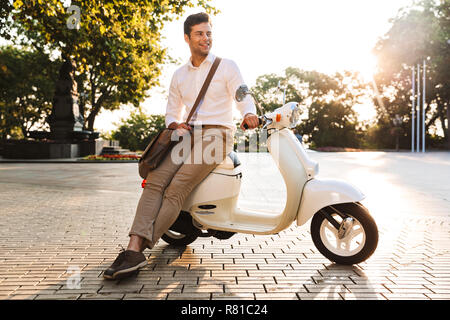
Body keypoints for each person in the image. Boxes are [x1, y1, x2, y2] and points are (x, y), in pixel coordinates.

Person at [103, 12, 258, 280]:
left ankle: (136, 249)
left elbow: (243, 94)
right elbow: (172, 111)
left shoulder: (227, 66)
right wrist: (176, 124)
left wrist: (248, 113)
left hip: (217, 135)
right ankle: (132, 248)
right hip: (186, 134)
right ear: (187, 38)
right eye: (199, 34)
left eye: (208, 33)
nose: (205, 38)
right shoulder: (179, 74)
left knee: (177, 188)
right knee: (154, 181)